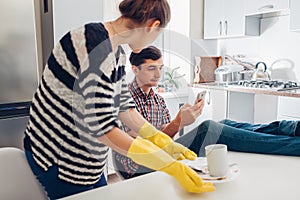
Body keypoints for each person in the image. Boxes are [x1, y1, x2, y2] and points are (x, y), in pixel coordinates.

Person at [23, 1, 215, 199]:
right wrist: (165, 163)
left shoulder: (118, 54)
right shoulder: (92, 43)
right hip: (59, 159)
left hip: (89, 163)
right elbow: (102, 127)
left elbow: (125, 107)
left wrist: (162, 141)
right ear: (153, 26)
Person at [113, 45, 300, 179]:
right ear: (135, 70)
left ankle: (290, 129)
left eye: (160, 68)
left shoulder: (158, 100)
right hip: (137, 167)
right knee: (209, 128)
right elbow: (139, 147)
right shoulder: (125, 100)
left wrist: (179, 122)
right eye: (151, 68)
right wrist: (179, 121)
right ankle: (294, 145)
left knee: (224, 123)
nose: (158, 75)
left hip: (162, 153)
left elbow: (166, 139)